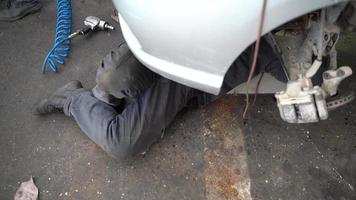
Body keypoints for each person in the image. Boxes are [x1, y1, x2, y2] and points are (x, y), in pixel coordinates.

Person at [32, 39, 286, 160]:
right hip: (178, 46)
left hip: (192, 77)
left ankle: (86, 99)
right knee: (116, 86)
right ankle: (88, 99)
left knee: (121, 131)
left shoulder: (286, 45)